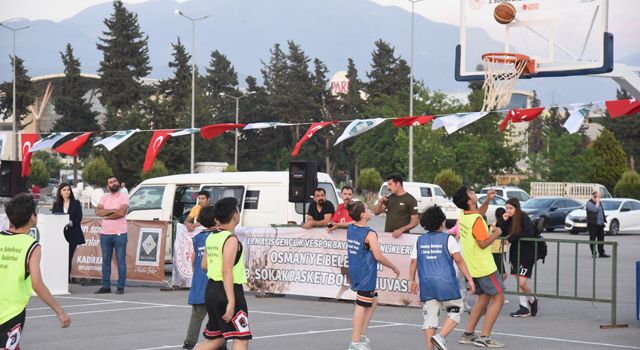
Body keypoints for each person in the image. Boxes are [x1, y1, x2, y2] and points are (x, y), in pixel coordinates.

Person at [0, 193, 71, 348]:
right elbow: (36, 284)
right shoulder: (31, 246)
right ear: (32, 217)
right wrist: (59, 311)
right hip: (11, 313)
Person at [410, 206, 475, 350]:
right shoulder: (448, 239)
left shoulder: (419, 240)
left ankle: (430, 348)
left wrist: (411, 280)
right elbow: (459, 260)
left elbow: (414, 262)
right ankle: (440, 337)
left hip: (427, 283)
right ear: (441, 222)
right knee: (457, 309)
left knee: (430, 317)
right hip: (445, 283)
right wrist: (469, 279)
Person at [452, 186, 505, 348]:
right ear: (469, 201)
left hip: (472, 266)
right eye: (471, 193)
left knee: (483, 298)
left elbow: (478, 213)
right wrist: (496, 234)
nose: (474, 193)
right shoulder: (476, 220)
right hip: (484, 266)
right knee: (499, 298)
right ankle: (485, 336)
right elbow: (482, 243)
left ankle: (468, 334)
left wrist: (488, 200)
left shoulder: (464, 214)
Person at [195, 197, 251, 350]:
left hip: (212, 290)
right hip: (228, 290)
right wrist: (231, 301)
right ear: (235, 215)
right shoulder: (231, 239)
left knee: (217, 338)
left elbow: (204, 265)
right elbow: (226, 271)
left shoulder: (212, 237)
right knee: (241, 338)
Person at [346, 201, 400, 350]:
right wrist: (393, 266)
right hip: (365, 273)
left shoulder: (351, 228)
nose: (370, 211)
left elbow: (351, 222)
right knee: (361, 305)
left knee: (373, 299)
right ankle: (355, 342)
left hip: (356, 270)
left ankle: (361, 334)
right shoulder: (369, 234)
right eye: (367, 209)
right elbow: (378, 256)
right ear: (363, 215)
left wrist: (337, 225)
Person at [182, 206, 228, 350]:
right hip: (214, 281)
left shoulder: (197, 238)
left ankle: (189, 343)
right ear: (216, 219)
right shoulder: (220, 236)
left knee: (197, 316)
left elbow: (194, 260)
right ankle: (221, 344)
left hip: (199, 282)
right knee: (219, 315)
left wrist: (196, 274)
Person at [502, 198, 539, 318]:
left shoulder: (523, 217)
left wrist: (513, 237)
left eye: (511, 208)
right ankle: (523, 307)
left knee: (522, 283)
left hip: (527, 253)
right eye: (507, 208)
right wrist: (504, 220)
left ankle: (533, 300)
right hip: (515, 254)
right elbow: (502, 232)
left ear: (517, 208)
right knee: (518, 281)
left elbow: (529, 232)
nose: (508, 210)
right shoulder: (510, 219)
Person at [94, 176, 129, 295]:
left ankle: (120, 286)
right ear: (107, 186)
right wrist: (114, 210)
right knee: (105, 261)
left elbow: (121, 212)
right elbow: (98, 212)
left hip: (120, 234)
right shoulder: (104, 197)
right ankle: (105, 286)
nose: (113, 183)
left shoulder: (124, 196)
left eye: (115, 181)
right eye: (110, 182)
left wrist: (107, 215)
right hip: (105, 234)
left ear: (118, 182)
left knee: (121, 261)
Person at [51, 183, 85, 282]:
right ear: (60, 192)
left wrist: (70, 222)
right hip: (60, 234)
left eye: (68, 189)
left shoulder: (76, 203)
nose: (66, 192)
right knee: (60, 257)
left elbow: (79, 218)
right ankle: (58, 279)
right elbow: (54, 217)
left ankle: (65, 280)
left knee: (68, 256)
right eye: (64, 190)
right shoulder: (56, 204)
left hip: (73, 234)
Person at [373, 173, 418, 238]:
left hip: (403, 237)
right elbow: (376, 212)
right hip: (388, 236)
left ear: (398, 184)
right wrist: (380, 202)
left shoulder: (410, 199)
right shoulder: (389, 198)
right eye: (388, 184)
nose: (388, 187)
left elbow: (415, 222)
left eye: (390, 184)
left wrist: (401, 230)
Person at [586, 191, 610, 258]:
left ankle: (601, 253)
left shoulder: (599, 203)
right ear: (594, 196)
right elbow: (595, 209)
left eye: (599, 196)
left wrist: (603, 220)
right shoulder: (589, 203)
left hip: (600, 224)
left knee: (601, 239)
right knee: (593, 239)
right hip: (593, 224)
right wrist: (597, 202)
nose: (599, 197)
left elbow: (601, 211)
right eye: (598, 196)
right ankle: (594, 253)